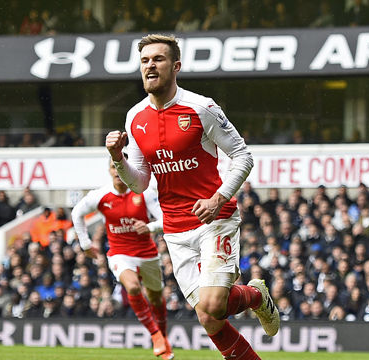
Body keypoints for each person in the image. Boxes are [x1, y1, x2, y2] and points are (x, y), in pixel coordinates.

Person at [105, 34, 279, 360]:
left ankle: (255, 295)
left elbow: (243, 157)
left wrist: (218, 199)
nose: (150, 66)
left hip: (215, 216)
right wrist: (118, 158)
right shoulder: (135, 117)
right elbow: (140, 183)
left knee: (213, 304)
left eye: (158, 59)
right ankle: (254, 301)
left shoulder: (201, 107)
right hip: (175, 228)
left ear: (176, 66)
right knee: (209, 319)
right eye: (144, 61)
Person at [72, 155, 172, 360]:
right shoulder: (100, 195)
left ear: (128, 170)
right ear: (109, 171)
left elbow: (165, 219)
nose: (117, 170)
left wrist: (150, 227)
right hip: (119, 253)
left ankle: (163, 335)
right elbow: (77, 213)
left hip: (147, 254)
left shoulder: (144, 193)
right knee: (133, 287)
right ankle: (155, 336)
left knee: (155, 298)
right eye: (113, 167)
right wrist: (85, 243)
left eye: (122, 167)